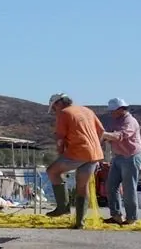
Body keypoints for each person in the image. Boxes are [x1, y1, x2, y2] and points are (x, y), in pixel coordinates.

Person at [44, 93, 104, 228]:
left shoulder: (64, 113)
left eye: (54, 109)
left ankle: (62, 207)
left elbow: (60, 138)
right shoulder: (87, 110)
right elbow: (101, 131)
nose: (55, 112)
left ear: (58, 104)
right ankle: (79, 222)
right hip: (94, 154)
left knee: (52, 172)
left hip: (78, 152)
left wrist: (60, 153)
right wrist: (94, 145)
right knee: (82, 187)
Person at [101, 98, 141, 225]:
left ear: (121, 110)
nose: (111, 113)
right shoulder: (115, 120)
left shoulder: (130, 121)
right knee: (111, 186)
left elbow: (120, 136)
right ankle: (116, 215)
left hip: (131, 157)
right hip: (119, 157)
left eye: (113, 111)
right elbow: (109, 134)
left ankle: (131, 217)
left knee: (128, 188)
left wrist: (104, 135)